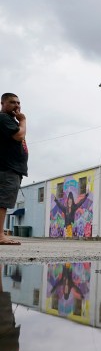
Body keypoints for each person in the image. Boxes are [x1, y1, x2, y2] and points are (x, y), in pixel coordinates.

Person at [0, 93, 28, 246]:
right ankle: (0, 235)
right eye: (12, 102)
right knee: (2, 202)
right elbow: (19, 136)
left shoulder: (9, 121)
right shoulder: (3, 118)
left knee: (3, 201)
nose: (17, 106)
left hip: (11, 169)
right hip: (7, 169)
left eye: (18, 103)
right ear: (2, 103)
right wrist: (23, 120)